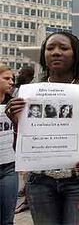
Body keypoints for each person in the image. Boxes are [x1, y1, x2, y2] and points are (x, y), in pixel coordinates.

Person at [6, 31, 79, 225]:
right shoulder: (29, 93)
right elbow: (19, 147)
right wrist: (16, 123)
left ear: (76, 54)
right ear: (44, 55)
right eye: (50, 48)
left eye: (63, 48)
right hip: (39, 182)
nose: (56, 52)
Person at [0, 64, 17, 225]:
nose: (11, 82)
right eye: (6, 78)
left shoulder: (14, 104)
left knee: (7, 220)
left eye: (12, 78)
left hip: (9, 167)